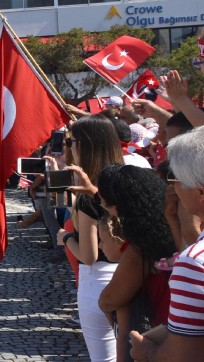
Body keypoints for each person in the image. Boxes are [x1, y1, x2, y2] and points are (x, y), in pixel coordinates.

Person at [129, 126, 204, 362]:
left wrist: (147, 352)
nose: (172, 188)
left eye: (174, 178)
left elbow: (181, 357)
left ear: (200, 192)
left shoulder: (194, 262)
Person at [93, 165, 178, 361]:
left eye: (105, 203)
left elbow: (112, 299)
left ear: (120, 205)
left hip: (162, 336)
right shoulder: (173, 224)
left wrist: (104, 304)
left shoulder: (139, 249)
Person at [61, 114, 124, 362]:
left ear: (84, 145)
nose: (68, 146)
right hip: (131, 274)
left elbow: (88, 255)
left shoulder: (90, 194)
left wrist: (65, 236)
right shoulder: (130, 178)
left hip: (98, 280)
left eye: (70, 142)